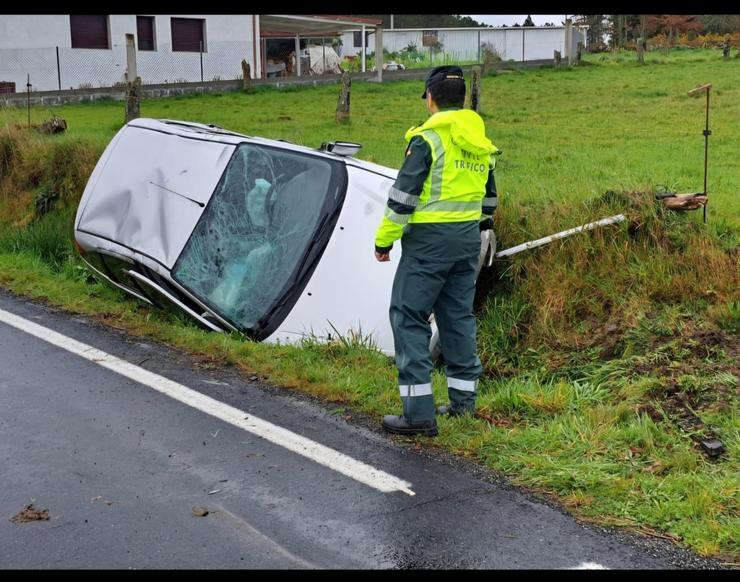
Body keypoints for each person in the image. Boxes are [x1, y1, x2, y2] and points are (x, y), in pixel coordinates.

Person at [374, 65, 500, 437]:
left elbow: (402, 198)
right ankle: (463, 405)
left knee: (408, 316)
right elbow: (489, 200)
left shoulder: (427, 140)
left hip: (429, 243)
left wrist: (384, 240)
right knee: (457, 318)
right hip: (467, 239)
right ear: (462, 100)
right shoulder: (479, 140)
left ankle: (418, 414)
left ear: (430, 99)